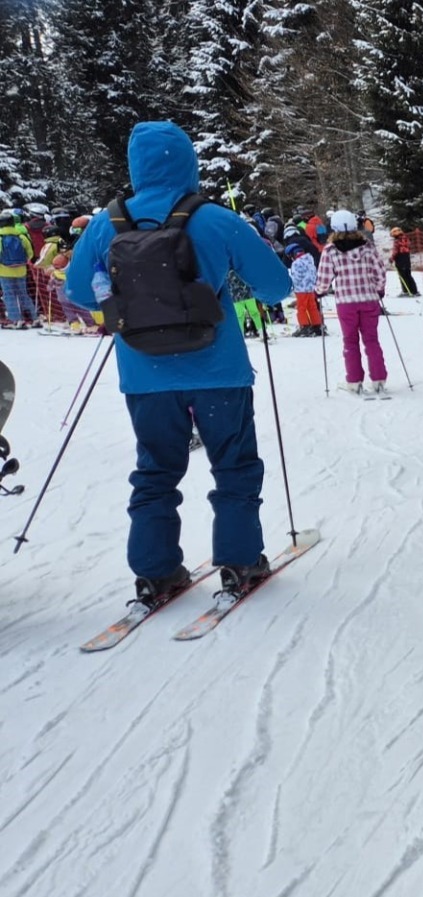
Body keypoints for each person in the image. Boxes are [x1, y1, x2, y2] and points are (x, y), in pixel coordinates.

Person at [64, 120, 293, 602]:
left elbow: (79, 293)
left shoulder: (108, 223)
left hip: (143, 373)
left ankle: (155, 570)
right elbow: (276, 286)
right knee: (233, 465)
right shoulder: (214, 217)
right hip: (218, 369)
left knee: (155, 469)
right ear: (189, 163)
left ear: (135, 165)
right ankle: (239, 560)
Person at [315, 208, 388, 393]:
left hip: (346, 302)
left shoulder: (330, 251)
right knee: (372, 339)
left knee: (350, 341)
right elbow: (380, 271)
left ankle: (354, 381)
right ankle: (379, 378)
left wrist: (319, 292)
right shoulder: (367, 247)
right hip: (369, 298)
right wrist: (379, 289)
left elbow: (324, 277)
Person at [0, 209, 39, 328]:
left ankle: (16, 320)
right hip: (21, 270)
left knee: (9, 295)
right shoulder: (21, 235)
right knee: (23, 294)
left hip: (4, 270)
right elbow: (30, 253)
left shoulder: (0, 236)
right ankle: (34, 318)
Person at [287, 244, 322, 337]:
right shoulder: (310, 260)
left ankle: (304, 326)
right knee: (312, 307)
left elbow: (296, 277)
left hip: (300, 289)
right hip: (310, 289)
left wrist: (291, 281)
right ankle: (317, 325)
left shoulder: (296, 263)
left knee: (301, 308)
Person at [390, 227, 420, 297]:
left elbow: (395, 251)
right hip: (407, 258)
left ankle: (405, 291)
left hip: (400, 259)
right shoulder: (406, 238)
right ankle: (414, 290)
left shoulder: (397, 241)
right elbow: (409, 247)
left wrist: (391, 259)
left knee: (402, 276)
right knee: (408, 275)